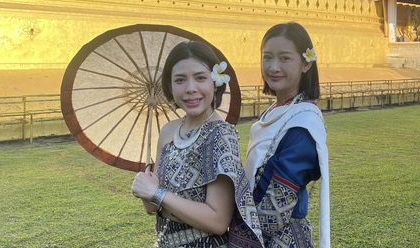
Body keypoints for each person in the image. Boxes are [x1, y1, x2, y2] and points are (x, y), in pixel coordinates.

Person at [131, 41, 261, 248]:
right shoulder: (168, 132)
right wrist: (145, 189)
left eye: (200, 78)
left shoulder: (220, 135)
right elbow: (155, 208)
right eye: (180, 80)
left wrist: (158, 193)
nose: (191, 89)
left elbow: (218, 221)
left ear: (215, 82)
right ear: (170, 86)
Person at [241, 22, 330, 247]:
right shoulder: (274, 113)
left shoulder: (303, 123)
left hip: (279, 237)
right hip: (252, 228)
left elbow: (276, 208)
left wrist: (229, 230)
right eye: (267, 57)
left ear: (306, 64)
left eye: (285, 58)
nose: (273, 67)